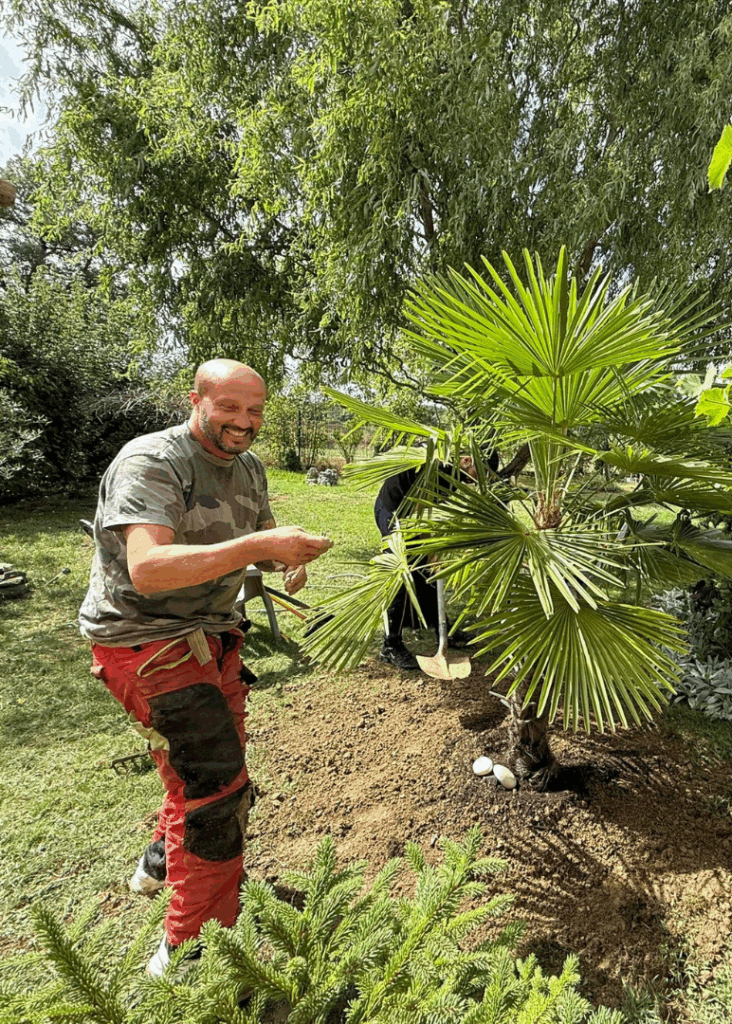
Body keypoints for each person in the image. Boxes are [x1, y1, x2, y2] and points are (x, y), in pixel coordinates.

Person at [79, 359, 332, 975]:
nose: (244, 423)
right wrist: (254, 549)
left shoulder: (248, 468)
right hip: (147, 644)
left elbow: (262, 537)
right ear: (196, 400)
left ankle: (160, 865)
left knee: (204, 775)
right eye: (229, 408)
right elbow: (148, 568)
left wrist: (285, 559)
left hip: (214, 638)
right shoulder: (152, 461)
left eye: (255, 411)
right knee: (218, 795)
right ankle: (191, 955)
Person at [376, 452, 495, 670]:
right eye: (483, 472)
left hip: (416, 513)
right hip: (392, 509)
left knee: (427, 571)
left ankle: (439, 627)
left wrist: (433, 552)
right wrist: (432, 552)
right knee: (403, 570)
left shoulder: (456, 474)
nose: (480, 480)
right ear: (467, 460)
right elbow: (420, 509)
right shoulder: (438, 465)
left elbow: (433, 511)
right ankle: (390, 645)